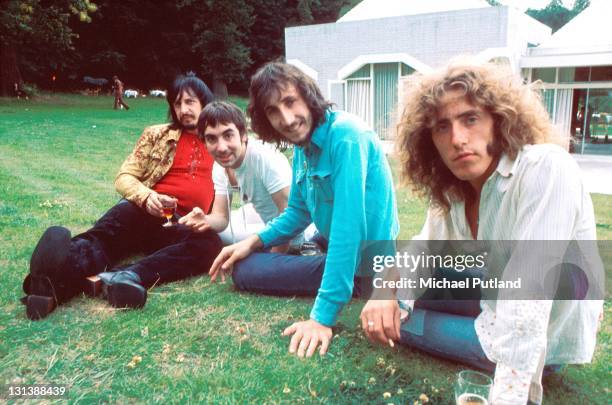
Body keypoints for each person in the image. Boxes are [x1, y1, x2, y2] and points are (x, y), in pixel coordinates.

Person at [360, 60, 603, 404]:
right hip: (493, 294)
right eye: (442, 127)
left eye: (470, 119)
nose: (458, 139)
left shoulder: (545, 168)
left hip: (539, 335)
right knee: (390, 303)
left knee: (402, 326)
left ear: (498, 121)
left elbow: (528, 300)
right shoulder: (454, 191)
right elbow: (421, 253)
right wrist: (385, 291)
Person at [209, 62, 400, 358]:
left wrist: (321, 318)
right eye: (273, 111)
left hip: (365, 262)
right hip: (333, 244)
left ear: (308, 95)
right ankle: (319, 259)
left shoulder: (347, 137)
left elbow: (348, 230)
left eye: (289, 102)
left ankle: (346, 284)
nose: (286, 119)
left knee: (245, 272)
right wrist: (253, 241)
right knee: (247, 258)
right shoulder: (304, 148)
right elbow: (297, 213)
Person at [22, 73, 222, 320]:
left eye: (190, 102)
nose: (183, 110)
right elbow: (124, 176)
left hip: (183, 223)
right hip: (143, 209)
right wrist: (148, 197)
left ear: (205, 102)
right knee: (103, 239)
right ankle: (50, 281)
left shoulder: (219, 140)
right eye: (177, 103)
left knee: (209, 244)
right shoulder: (157, 135)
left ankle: (128, 276)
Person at [178, 100, 293, 253]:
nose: (221, 148)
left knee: (220, 238)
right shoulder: (220, 165)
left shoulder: (264, 158)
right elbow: (221, 217)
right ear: (204, 143)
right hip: (262, 215)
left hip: (296, 233)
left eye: (228, 135)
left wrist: (273, 261)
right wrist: (206, 220)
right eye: (212, 138)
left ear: (243, 135)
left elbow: (290, 218)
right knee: (213, 232)